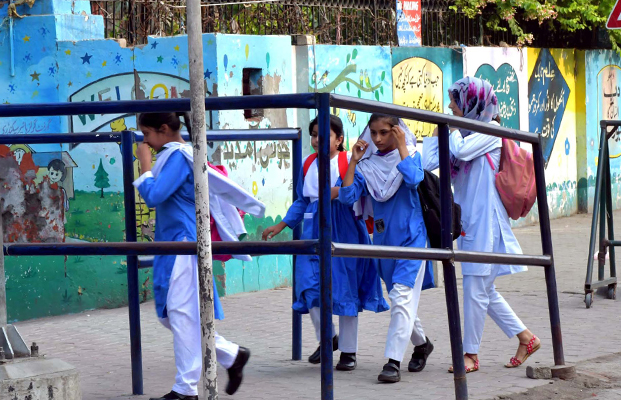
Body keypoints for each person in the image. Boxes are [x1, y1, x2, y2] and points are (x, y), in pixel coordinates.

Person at [134, 111, 263, 400]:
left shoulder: (178, 156)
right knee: (175, 314)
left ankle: (186, 389)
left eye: (147, 135)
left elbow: (155, 196)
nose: (145, 142)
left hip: (181, 242)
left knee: (179, 313)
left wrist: (143, 165)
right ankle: (231, 355)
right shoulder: (174, 155)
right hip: (173, 244)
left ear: (163, 129)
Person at [422, 76, 540, 373]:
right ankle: (526, 338)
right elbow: (427, 161)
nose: (450, 106)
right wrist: (445, 129)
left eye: (456, 102)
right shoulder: (463, 133)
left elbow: (460, 152)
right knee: (482, 288)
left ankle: (470, 355)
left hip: (487, 222)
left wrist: (448, 129)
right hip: (470, 222)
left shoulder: (490, 130)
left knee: (476, 287)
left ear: (473, 104)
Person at [262, 115, 387, 371]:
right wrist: (282, 224)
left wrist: (337, 188)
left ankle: (349, 352)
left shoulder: (348, 162)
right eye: (315, 134)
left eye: (325, 135)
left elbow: (353, 193)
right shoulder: (307, 163)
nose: (318, 139)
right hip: (312, 230)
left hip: (345, 230)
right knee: (309, 289)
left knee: (345, 291)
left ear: (339, 139)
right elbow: (302, 200)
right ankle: (328, 340)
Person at [339, 114, 435, 383]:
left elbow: (415, 179)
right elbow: (347, 197)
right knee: (399, 298)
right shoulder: (367, 165)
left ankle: (393, 362)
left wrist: (403, 146)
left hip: (412, 240)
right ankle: (422, 343)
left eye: (385, 132)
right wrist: (354, 161)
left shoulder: (411, 155)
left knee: (402, 296)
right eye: (374, 133)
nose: (378, 139)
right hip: (382, 243)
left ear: (397, 131)